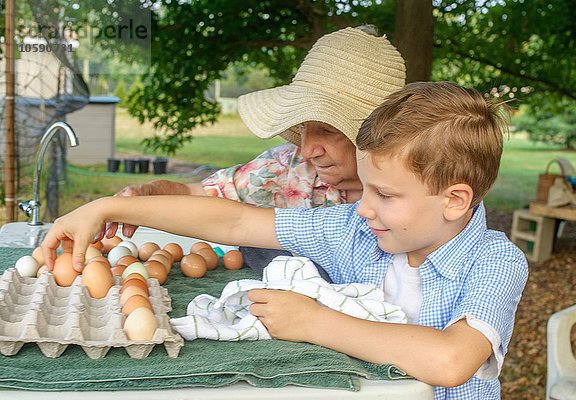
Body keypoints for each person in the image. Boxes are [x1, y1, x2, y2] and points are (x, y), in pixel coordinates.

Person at [42, 82, 528, 399]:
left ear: (455, 200)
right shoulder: (356, 231)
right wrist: (107, 207)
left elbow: (451, 360)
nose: (363, 206)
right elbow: (235, 223)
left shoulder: (495, 261)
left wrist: (314, 321)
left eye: (384, 193)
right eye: (365, 187)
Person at [112, 25, 406, 238]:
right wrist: (144, 193)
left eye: (328, 129)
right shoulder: (286, 169)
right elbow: (198, 194)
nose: (307, 151)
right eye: (301, 127)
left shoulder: (424, 179)